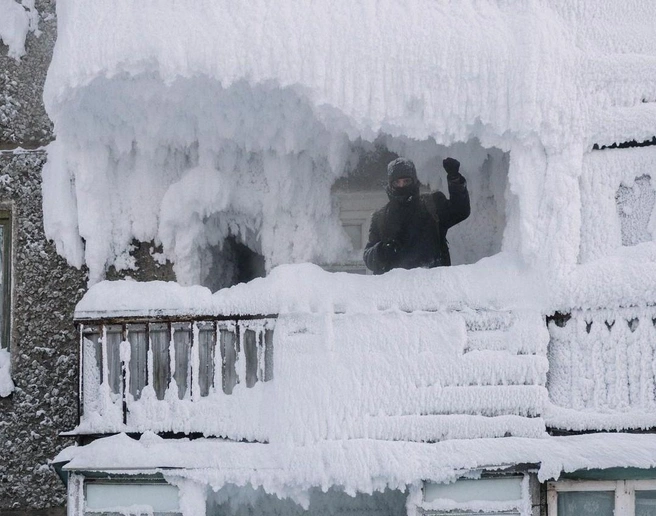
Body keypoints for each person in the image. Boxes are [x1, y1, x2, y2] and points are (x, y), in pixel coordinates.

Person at [363, 157, 470, 274]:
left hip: (432, 284)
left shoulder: (432, 204)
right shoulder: (381, 217)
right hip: (394, 289)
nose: (402, 186)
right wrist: (381, 251)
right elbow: (368, 257)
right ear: (390, 185)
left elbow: (460, 210)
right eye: (397, 182)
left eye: (406, 181)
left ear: (414, 181)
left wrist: (455, 180)